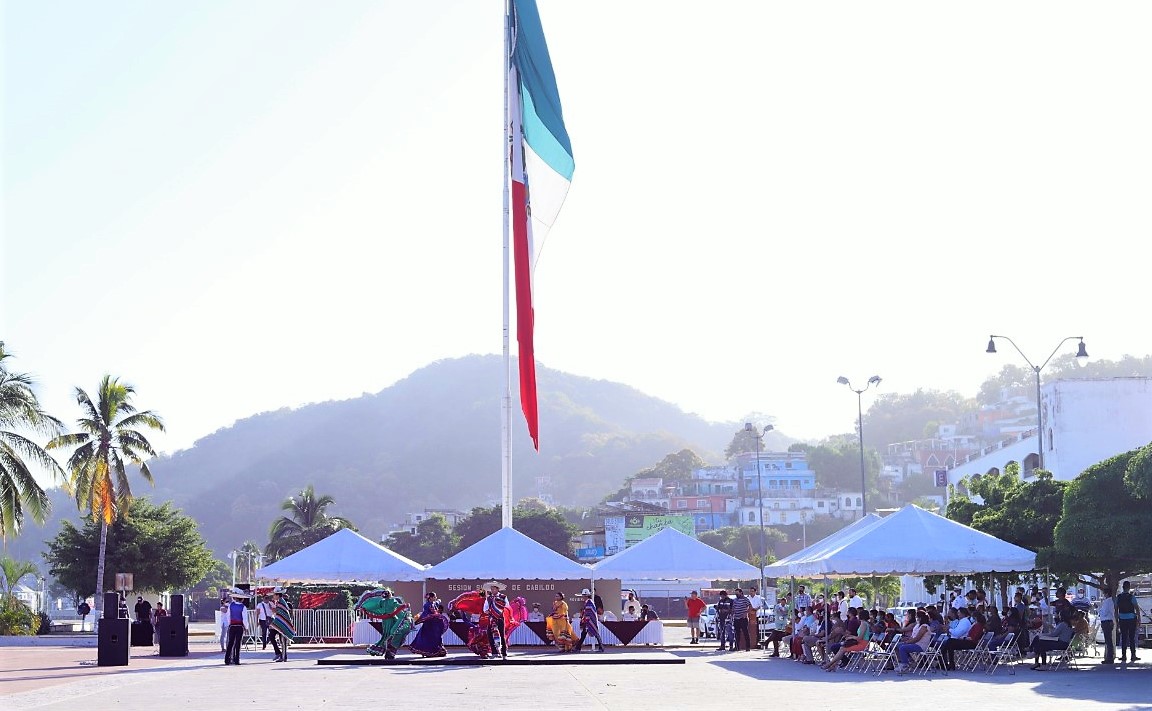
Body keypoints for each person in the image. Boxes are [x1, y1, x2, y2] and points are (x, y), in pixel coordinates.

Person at [483, 581, 510, 660]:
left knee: (502, 635)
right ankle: (494, 652)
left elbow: (507, 606)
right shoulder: (489, 598)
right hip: (491, 619)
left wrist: (499, 608)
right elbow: (485, 608)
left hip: (500, 618)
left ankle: (504, 653)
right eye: (491, 589)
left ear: (498, 589)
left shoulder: (503, 597)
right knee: (490, 634)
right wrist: (487, 611)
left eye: (494, 589)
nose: (492, 590)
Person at [1116, 580, 1141, 663]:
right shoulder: (1131, 597)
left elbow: (1116, 609)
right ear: (1129, 587)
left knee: (1123, 637)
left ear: (1123, 587)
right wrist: (1139, 619)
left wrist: (1117, 620)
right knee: (1131, 637)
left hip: (1122, 619)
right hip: (1131, 619)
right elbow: (1137, 608)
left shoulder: (1119, 597)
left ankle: (1124, 656)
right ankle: (1133, 655)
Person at [269, 588, 295, 662]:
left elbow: (281, 613)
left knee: (283, 640)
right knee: (273, 637)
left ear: (277, 595)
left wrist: (273, 610)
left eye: (274, 595)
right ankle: (280, 654)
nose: (273, 596)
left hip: (282, 623)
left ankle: (283, 657)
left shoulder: (281, 602)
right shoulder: (279, 602)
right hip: (279, 622)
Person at [224, 589, 249, 665]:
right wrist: (246, 627)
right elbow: (244, 619)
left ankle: (227, 659)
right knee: (238, 643)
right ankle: (237, 660)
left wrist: (229, 624)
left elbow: (228, 616)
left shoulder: (231, 605)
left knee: (230, 642)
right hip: (239, 626)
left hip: (232, 626)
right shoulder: (243, 607)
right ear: (242, 599)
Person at [1097, 586, 1116, 664]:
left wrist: (1099, 610)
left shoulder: (1107, 602)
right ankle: (1110, 656)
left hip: (1106, 621)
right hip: (1108, 621)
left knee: (1108, 640)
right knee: (1109, 640)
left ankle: (1109, 657)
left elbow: (1104, 612)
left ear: (1107, 593)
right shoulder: (1110, 601)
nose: (1103, 595)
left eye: (1104, 593)